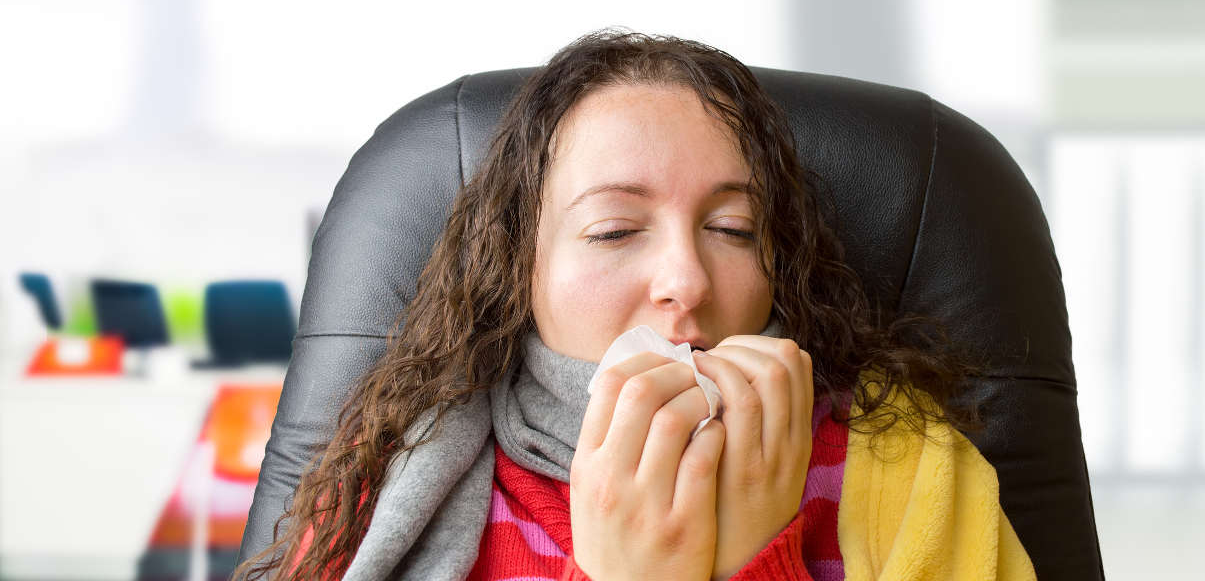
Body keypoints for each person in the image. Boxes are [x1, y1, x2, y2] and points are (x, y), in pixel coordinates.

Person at [233, 29, 1036, 581]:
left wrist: (757, 559)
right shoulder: (386, 480)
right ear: (521, 269)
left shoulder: (903, 467)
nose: (684, 281)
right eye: (615, 231)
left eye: (732, 228)